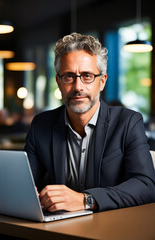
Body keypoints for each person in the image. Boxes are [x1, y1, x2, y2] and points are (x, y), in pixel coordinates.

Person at [25, 32, 155, 213]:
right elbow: (26, 185)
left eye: (87, 76)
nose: (78, 87)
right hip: (57, 227)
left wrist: (86, 200)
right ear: (58, 82)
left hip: (111, 227)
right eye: (69, 76)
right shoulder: (41, 125)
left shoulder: (128, 122)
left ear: (102, 82)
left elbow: (146, 185)